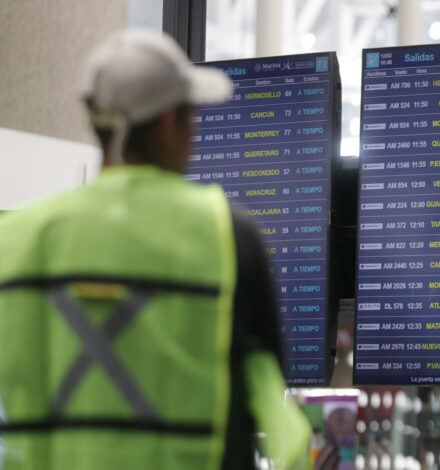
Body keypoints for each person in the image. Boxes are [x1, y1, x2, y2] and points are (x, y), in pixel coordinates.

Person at [0, 30, 310, 470]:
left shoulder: (16, 239)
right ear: (168, 121)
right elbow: (270, 399)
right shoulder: (228, 235)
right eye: (191, 117)